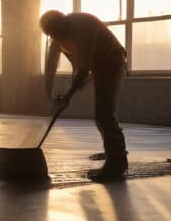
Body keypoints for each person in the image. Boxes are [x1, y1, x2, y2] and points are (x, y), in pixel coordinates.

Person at [39, 10, 128, 181]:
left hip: (112, 60)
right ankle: (116, 159)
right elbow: (50, 70)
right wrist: (50, 95)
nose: (56, 39)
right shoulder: (57, 39)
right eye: (53, 36)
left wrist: (67, 95)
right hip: (96, 65)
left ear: (63, 26)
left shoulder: (82, 26)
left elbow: (83, 69)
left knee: (104, 113)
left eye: (58, 35)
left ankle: (117, 162)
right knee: (102, 114)